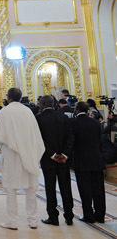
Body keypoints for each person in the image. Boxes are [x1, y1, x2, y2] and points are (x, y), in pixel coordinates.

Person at [0, 88, 45, 230]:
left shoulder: (5, 111)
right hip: (28, 153)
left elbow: (0, 136)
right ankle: (33, 220)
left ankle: (12, 221)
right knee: (30, 189)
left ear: (9, 97)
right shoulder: (28, 111)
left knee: (11, 189)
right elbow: (35, 135)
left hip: (12, 154)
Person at [36, 95, 74, 226]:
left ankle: (53, 216)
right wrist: (64, 154)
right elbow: (70, 137)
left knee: (50, 187)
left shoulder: (38, 119)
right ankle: (69, 216)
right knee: (66, 187)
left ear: (43, 104)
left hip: (48, 159)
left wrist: (52, 155)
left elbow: (39, 141)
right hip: (63, 160)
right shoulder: (63, 117)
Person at [71, 101, 106, 224]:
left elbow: (72, 143)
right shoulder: (96, 123)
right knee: (99, 189)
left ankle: (88, 215)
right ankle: (100, 215)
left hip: (82, 160)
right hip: (96, 159)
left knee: (85, 189)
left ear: (77, 109)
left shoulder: (74, 123)